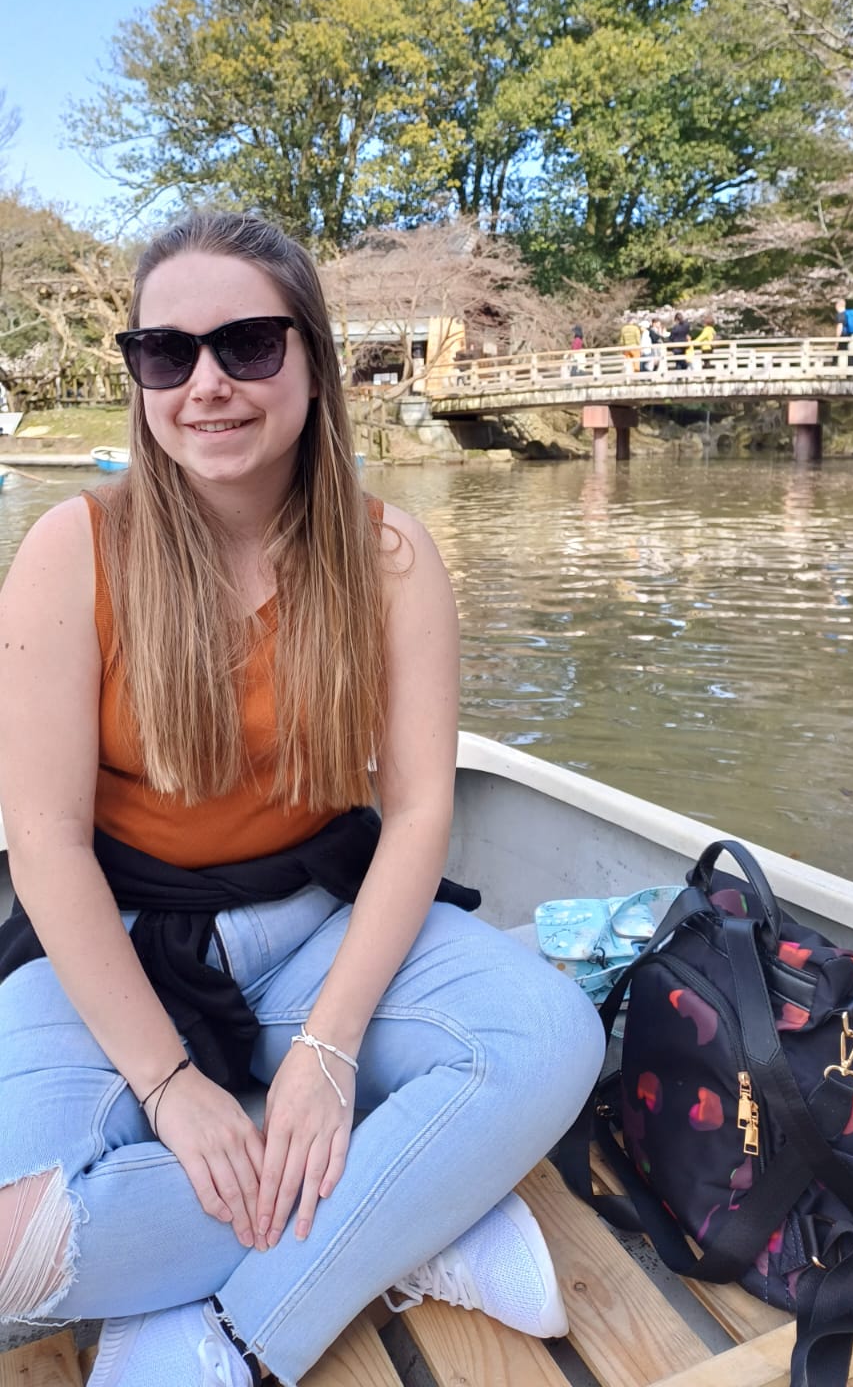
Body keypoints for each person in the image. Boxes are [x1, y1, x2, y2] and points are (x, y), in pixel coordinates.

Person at [0, 213, 604, 1387]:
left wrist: (329, 1048)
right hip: (118, 943)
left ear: (314, 362)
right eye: (167, 352)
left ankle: (231, 1331)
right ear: (139, 374)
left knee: (547, 1038)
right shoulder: (72, 551)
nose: (207, 383)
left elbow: (418, 814)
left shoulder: (391, 558)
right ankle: (411, 1211)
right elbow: (47, 841)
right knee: (16, 1250)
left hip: (318, 927)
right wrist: (170, 1085)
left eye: (247, 345)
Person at [834, 298, 853, 366]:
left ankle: (838, 369)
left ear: (837, 305)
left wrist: (837, 340)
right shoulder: (851, 314)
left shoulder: (840, 315)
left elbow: (839, 328)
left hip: (844, 337)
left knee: (840, 355)